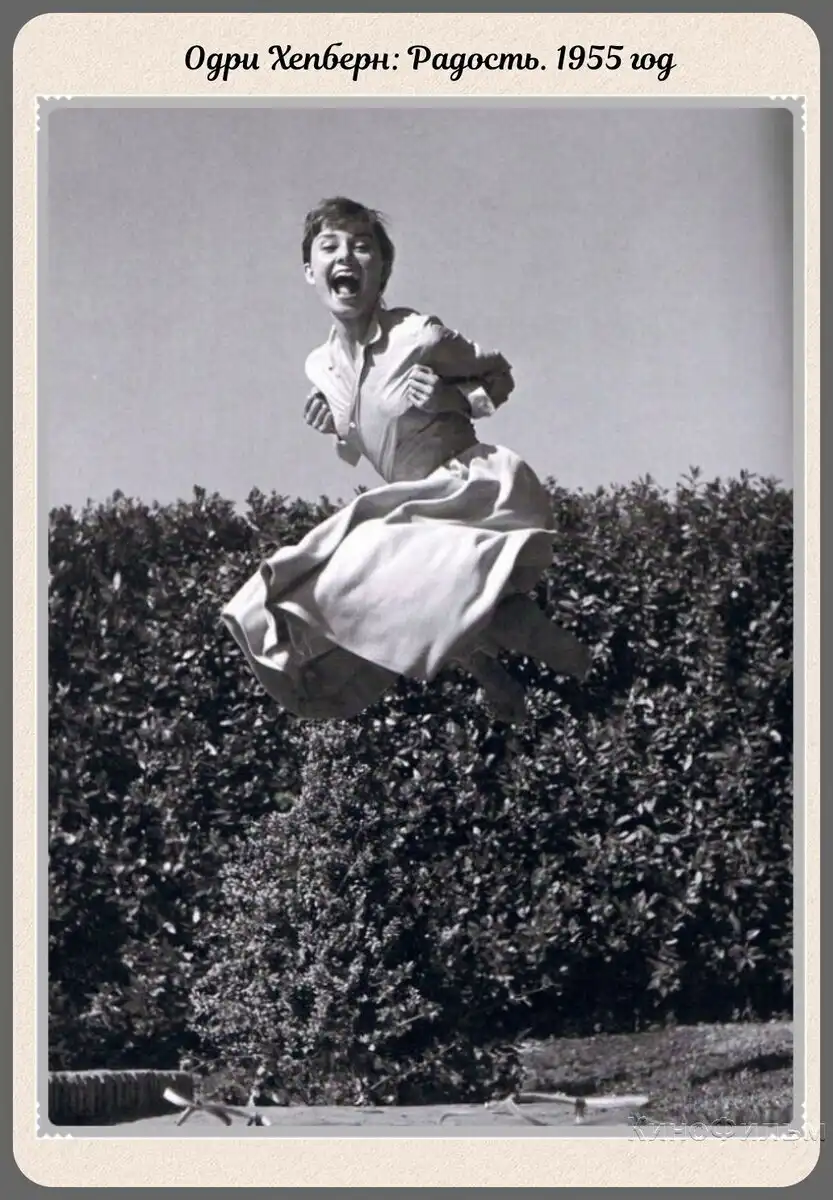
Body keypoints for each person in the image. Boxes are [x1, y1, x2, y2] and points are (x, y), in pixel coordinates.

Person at [221, 197, 591, 723]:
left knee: (382, 569)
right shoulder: (320, 366)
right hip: (411, 501)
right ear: (309, 271)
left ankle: (590, 676)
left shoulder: (420, 335)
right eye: (329, 246)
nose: (345, 256)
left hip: (466, 488)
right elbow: (370, 433)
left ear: (383, 269)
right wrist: (334, 426)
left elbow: (500, 376)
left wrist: (454, 398)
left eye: (361, 247)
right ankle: (513, 680)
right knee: (386, 592)